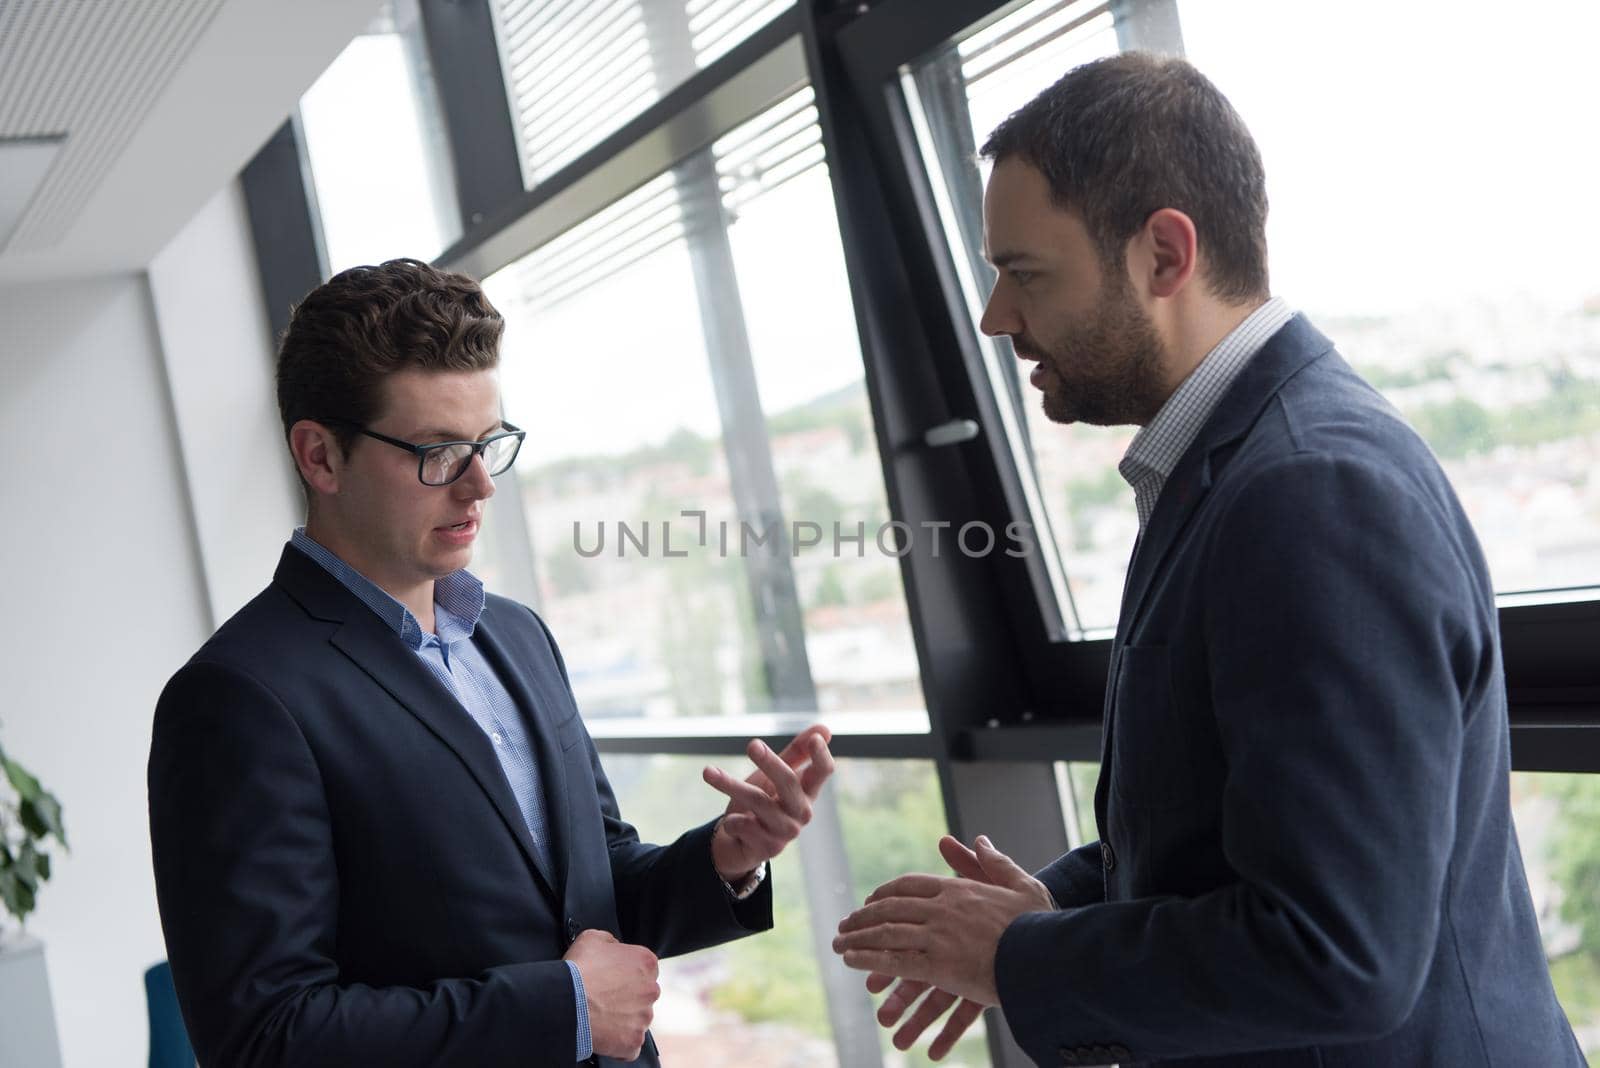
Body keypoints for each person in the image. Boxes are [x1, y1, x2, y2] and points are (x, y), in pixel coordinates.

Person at [832, 53, 1583, 1066]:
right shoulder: (1236, 469)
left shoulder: (1308, 491)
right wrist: (1045, 908)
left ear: (1163, 255)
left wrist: (1022, 960)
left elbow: (1335, 952)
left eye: (1023, 273)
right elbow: (1236, 826)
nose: (995, 318)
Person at [148, 258, 835, 1068]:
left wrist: (724, 858)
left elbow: (592, 892)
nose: (479, 485)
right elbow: (268, 1039)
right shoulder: (237, 698)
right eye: (438, 452)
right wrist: (567, 1008)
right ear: (320, 458)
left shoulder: (516, 636)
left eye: (488, 443)